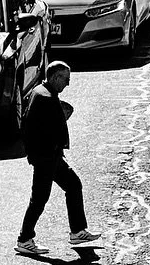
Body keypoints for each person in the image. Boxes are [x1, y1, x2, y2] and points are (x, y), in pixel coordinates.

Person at [15, 62, 102, 254]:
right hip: (46, 157)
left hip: (50, 156)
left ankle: (78, 231)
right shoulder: (45, 98)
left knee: (73, 185)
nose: (68, 84)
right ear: (55, 77)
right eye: (66, 79)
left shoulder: (41, 92)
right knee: (39, 198)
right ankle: (24, 239)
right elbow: (43, 128)